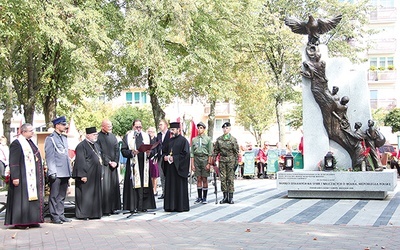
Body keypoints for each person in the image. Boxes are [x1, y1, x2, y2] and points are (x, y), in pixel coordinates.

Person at [5, 123, 45, 228]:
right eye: (30, 130)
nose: (33, 132)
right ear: (23, 132)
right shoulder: (17, 144)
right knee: (21, 199)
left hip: (31, 177)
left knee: (31, 198)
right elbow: (13, 162)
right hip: (22, 177)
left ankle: (32, 219)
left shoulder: (31, 142)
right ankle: (20, 222)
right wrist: (15, 177)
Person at [121, 119, 156, 213]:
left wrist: (150, 153)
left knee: (144, 185)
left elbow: (153, 150)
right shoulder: (128, 137)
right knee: (133, 185)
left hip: (144, 164)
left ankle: (143, 205)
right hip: (133, 164)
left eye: (140, 127)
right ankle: (133, 206)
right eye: (137, 127)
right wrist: (132, 152)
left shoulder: (146, 136)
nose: (138, 129)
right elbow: (123, 151)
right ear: (133, 127)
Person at [44, 116, 72, 224]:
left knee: (62, 195)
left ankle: (61, 214)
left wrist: (69, 171)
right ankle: (54, 216)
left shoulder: (64, 138)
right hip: (56, 172)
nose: (65, 126)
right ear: (57, 125)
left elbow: (65, 156)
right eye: (63, 124)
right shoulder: (50, 139)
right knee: (54, 196)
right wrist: (52, 171)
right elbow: (50, 156)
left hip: (64, 171)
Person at [72, 127, 103, 220]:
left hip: (95, 175)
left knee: (94, 195)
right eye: (94, 135)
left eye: (96, 134)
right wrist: (82, 175)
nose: (96, 136)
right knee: (85, 195)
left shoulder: (96, 145)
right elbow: (80, 161)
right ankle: (84, 214)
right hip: (86, 175)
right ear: (88, 135)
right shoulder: (81, 146)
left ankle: (94, 214)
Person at [163, 122, 190, 212]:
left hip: (179, 169)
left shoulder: (183, 141)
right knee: (170, 187)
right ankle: (170, 206)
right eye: (171, 130)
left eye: (173, 130)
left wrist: (174, 158)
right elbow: (164, 151)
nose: (172, 132)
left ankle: (180, 206)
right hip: (170, 169)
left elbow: (185, 155)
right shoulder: (169, 141)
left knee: (179, 187)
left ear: (178, 130)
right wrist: (165, 157)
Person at [97, 119, 121, 216]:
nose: (110, 128)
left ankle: (113, 207)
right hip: (105, 165)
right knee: (105, 187)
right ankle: (105, 209)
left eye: (111, 126)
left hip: (113, 166)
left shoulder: (113, 137)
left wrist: (115, 161)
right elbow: (99, 151)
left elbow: (117, 150)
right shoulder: (98, 137)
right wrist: (109, 161)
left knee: (113, 186)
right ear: (103, 126)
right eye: (108, 126)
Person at [213, 122, 239, 204]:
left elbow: (236, 152)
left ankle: (230, 197)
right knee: (223, 179)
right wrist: (213, 160)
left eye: (227, 128)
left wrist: (236, 162)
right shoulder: (219, 139)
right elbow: (216, 151)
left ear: (230, 129)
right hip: (222, 160)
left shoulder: (233, 139)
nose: (225, 129)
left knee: (230, 179)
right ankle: (225, 196)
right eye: (224, 128)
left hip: (231, 160)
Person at [190, 122, 213, 204]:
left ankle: (205, 197)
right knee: (198, 178)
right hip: (197, 159)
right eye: (198, 128)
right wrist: (192, 164)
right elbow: (192, 153)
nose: (199, 129)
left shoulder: (208, 139)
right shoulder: (194, 139)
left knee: (204, 178)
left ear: (204, 129)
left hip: (205, 159)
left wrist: (209, 163)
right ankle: (199, 197)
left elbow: (210, 152)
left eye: (201, 128)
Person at [156, 119, 171, 199]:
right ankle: (164, 192)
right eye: (159, 125)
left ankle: (169, 192)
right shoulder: (158, 135)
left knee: (168, 175)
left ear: (165, 125)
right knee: (162, 176)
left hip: (168, 157)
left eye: (161, 124)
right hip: (160, 157)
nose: (159, 126)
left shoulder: (170, 134)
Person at [147, 126, 159, 196]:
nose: (150, 133)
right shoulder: (147, 139)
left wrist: (156, 156)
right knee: (150, 175)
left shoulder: (156, 139)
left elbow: (158, 149)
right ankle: (151, 189)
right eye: (149, 131)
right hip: (148, 158)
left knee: (155, 175)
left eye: (151, 132)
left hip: (154, 158)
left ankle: (155, 189)